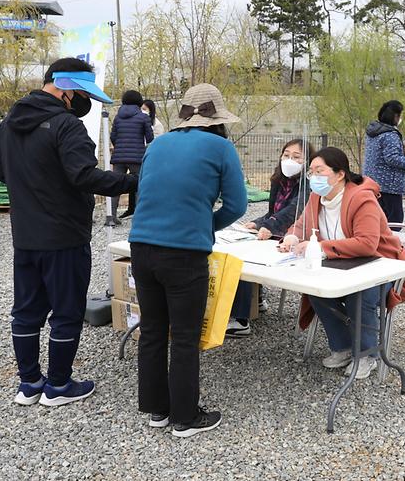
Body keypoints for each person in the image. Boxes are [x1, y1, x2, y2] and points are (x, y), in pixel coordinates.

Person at [0, 57, 138, 408]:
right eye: (83, 93)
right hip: (64, 236)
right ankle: (58, 385)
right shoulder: (66, 126)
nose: (84, 102)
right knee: (66, 311)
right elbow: (84, 175)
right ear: (67, 89)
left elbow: (1, 172)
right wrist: (133, 182)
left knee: (26, 310)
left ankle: (29, 384)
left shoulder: (10, 122)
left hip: (25, 235)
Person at [128, 83, 247, 438]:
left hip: (141, 246)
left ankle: (157, 410)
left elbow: (145, 189)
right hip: (184, 253)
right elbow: (237, 206)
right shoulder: (221, 148)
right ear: (218, 120)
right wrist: (204, 225)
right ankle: (185, 417)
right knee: (183, 336)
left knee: (151, 330)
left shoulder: (157, 145)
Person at [279, 147, 405, 380]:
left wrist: (322, 248)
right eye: (311, 172)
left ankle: (367, 354)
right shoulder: (317, 197)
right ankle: (343, 347)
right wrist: (292, 236)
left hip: (381, 267)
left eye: (320, 171)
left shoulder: (361, 198)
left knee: (360, 296)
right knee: (316, 291)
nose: (314, 177)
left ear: (339, 174)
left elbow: (367, 244)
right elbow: (301, 224)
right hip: (340, 263)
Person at [227, 138, 313, 337]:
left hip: (295, 237)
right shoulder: (278, 180)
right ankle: (255, 301)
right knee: (240, 253)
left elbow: (294, 211)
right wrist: (257, 223)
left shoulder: (307, 185)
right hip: (276, 232)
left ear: (306, 161)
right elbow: (273, 211)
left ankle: (241, 319)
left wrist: (268, 226)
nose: (289, 160)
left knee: (245, 260)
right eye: (286, 155)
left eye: (296, 156)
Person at [363, 100, 405, 224]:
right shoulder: (390, 135)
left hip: (372, 182)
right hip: (389, 186)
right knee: (394, 223)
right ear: (395, 116)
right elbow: (392, 159)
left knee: (375, 220)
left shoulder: (374, 132)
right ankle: (390, 243)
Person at [110, 89, 153, 220]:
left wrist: (121, 146)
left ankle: (111, 216)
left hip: (118, 157)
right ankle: (140, 216)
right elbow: (150, 138)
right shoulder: (143, 117)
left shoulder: (118, 117)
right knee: (140, 185)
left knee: (116, 185)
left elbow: (113, 136)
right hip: (137, 157)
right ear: (139, 102)